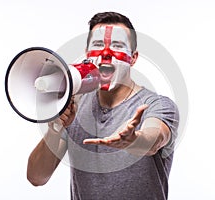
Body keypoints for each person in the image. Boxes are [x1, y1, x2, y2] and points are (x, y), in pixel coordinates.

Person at [27, 11, 179, 200]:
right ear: (87, 54)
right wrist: (55, 128)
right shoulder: (74, 103)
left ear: (133, 58)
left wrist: (134, 140)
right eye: (98, 45)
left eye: (117, 46)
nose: (106, 53)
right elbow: (36, 177)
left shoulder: (157, 105)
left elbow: (154, 139)